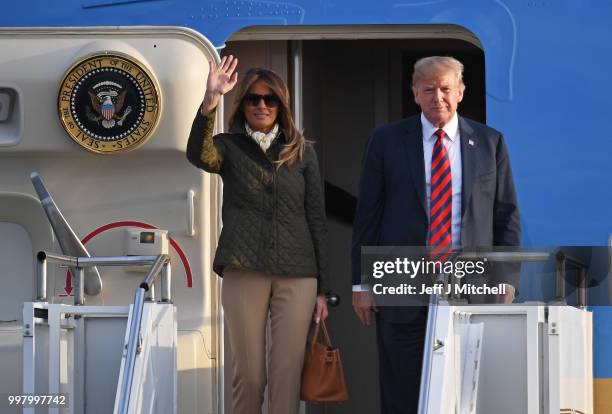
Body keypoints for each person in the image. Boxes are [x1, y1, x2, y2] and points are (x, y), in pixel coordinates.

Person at [351, 56, 521, 413]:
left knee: (466, 387)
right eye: (428, 89)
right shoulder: (386, 141)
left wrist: (506, 278)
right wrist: (362, 284)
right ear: (415, 93)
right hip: (402, 281)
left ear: (460, 92)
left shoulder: (490, 143)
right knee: (402, 387)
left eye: (445, 89)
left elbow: (505, 217)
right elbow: (368, 215)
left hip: (470, 284)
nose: (438, 97)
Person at [186, 56, 329, 414]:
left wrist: (323, 289)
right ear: (243, 105)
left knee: (286, 375)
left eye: (270, 99)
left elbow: (316, 219)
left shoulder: (302, 153)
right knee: (249, 375)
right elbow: (198, 155)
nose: (262, 105)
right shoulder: (228, 146)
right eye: (254, 98)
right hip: (244, 267)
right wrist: (210, 100)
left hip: (297, 273)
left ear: (282, 106)